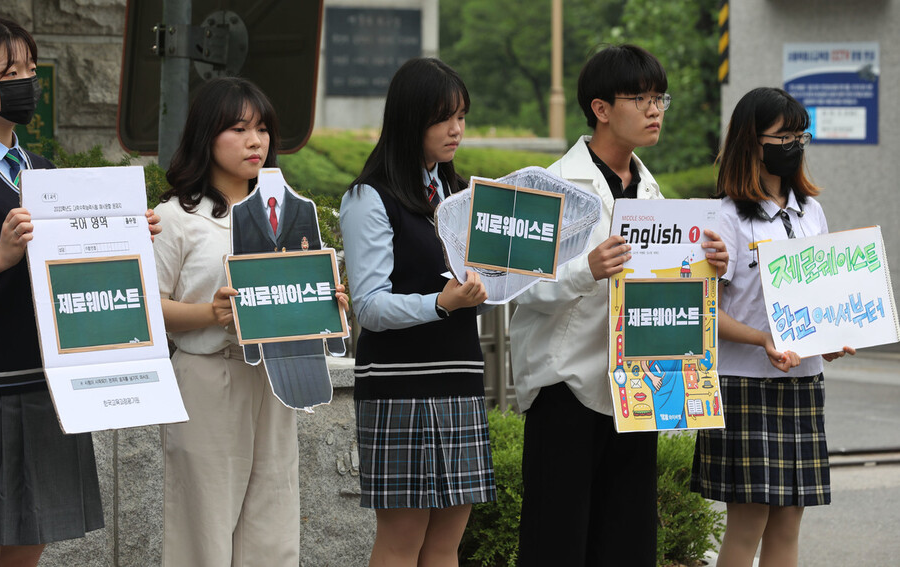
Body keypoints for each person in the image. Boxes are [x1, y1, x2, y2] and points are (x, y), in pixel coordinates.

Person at [0, 14, 157, 567]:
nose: (26, 82)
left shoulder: (45, 172)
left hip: (45, 388)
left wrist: (126, 237)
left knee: (25, 555)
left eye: (31, 69)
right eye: (10, 71)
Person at [508, 44, 728, 566]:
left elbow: (668, 296)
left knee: (627, 543)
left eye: (660, 99)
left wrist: (708, 269)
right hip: (565, 386)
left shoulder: (654, 195)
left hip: (640, 392)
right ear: (601, 109)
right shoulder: (547, 185)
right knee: (556, 543)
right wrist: (588, 268)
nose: (655, 110)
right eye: (640, 98)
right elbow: (518, 287)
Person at [153, 76, 347, 567]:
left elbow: (297, 290)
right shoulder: (175, 217)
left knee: (273, 526)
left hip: (277, 378)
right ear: (206, 135)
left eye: (262, 129)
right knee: (205, 527)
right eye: (238, 129)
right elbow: (147, 307)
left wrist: (327, 302)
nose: (254, 140)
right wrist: (209, 313)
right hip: (207, 378)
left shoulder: (287, 213)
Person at [339, 57, 496, 567]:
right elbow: (369, 305)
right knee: (402, 540)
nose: (456, 130)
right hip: (399, 385)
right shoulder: (370, 197)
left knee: (447, 541)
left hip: (460, 374)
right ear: (410, 120)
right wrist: (440, 303)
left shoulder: (461, 195)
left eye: (462, 116)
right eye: (443, 118)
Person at [690, 87, 854, 567]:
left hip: (802, 382)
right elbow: (706, 310)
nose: (795, 144)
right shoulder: (724, 218)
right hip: (744, 384)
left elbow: (818, 298)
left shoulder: (811, 212)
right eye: (783, 135)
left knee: (789, 519)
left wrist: (829, 340)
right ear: (751, 142)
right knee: (749, 521)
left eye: (801, 134)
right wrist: (763, 338)